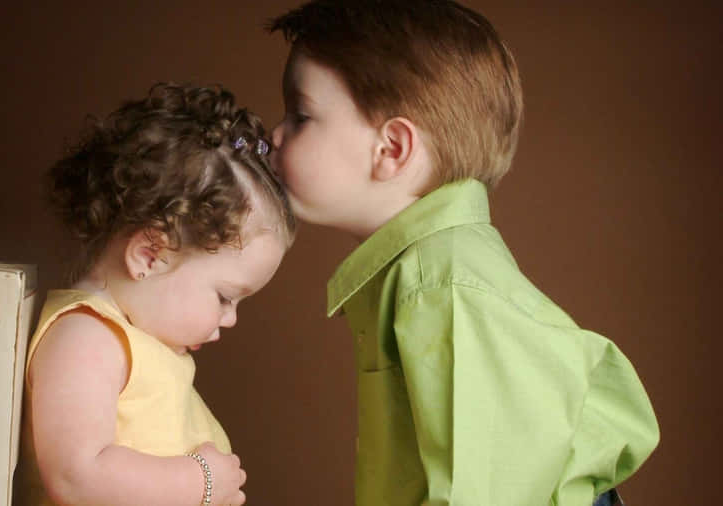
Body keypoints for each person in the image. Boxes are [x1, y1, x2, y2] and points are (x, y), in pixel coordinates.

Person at [267, 1, 659, 505]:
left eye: (300, 116)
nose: (274, 134)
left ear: (392, 149)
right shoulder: (428, 268)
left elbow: (481, 489)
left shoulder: (441, 285)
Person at [13, 83, 296, 506]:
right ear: (150, 254)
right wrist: (201, 481)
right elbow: (76, 477)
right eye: (223, 297)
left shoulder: (138, 342)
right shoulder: (86, 338)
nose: (231, 318)